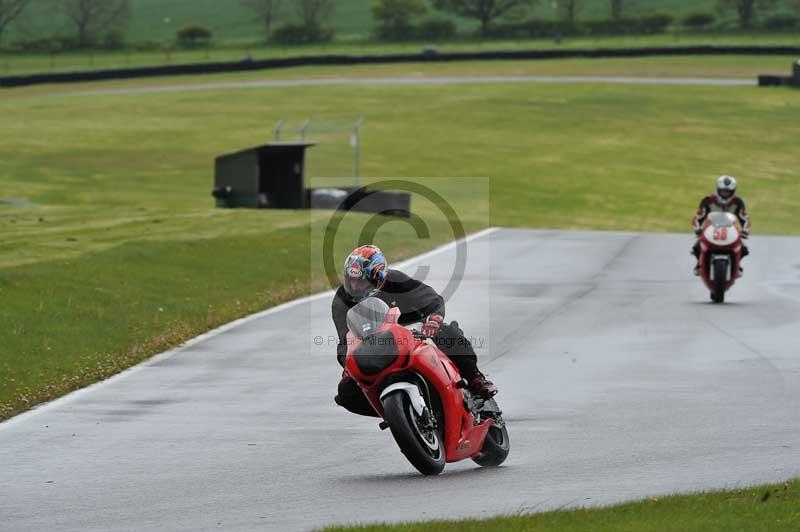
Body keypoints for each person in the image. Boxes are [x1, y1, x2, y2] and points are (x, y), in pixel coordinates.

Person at [332, 244, 496, 417]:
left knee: (446, 333)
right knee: (346, 394)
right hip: (376, 347)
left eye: (361, 281)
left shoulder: (396, 280)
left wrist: (434, 320)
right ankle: (394, 412)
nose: (355, 286)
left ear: (378, 277)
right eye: (351, 280)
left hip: (414, 332)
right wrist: (347, 365)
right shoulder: (342, 299)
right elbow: (345, 340)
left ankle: (475, 378)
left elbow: (431, 299)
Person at [691, 175, 751, 275]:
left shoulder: (738, 202)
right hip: (710, 230)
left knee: (744, 249)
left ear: (733, 192)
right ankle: (699, 264)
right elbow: (697, 218)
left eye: (728, 192)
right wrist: (698, 229)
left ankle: (737, 266)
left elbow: (745, 219)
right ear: (718, 190)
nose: (725, 194)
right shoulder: (707, 200)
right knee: (697, 246)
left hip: (731, 231)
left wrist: (745, 231)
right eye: (723, 191)